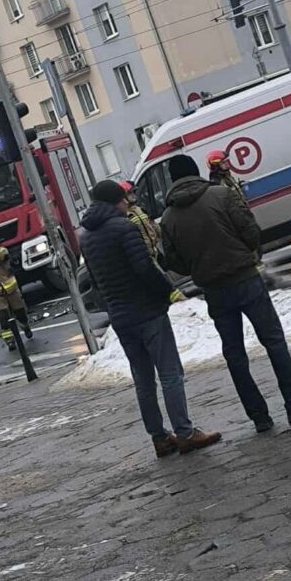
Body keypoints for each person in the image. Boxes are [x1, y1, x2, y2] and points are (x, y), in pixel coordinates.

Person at [159, 155, 291, 433]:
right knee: (273, 341)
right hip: (245, 278)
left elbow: (174, 263)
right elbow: (250, 229)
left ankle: (259, 417)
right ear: (195, 171)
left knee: (234, 354)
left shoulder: (169, 218)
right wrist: (247, 253)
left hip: (213, 290)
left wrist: (199, 266)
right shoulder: (221, 195)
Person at [80, 180, 221, 458]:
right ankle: (185, 432)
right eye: (123, 199)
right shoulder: (124, 228)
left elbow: (96, 282)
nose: (127, 202)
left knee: (143, 379)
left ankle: (159, 438)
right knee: (170, 373)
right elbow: (144, 267)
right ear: (113, 202)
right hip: (146, 311)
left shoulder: (86, 236)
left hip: (120, 316)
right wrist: (168, 290)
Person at [119, 180, 184, 303]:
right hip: (146, 254)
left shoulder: (140, 210)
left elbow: (152, 225)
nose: (134, 195)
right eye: (130, 193)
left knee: (168, 276)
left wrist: (165, 236)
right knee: (162, 280)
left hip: (155, 251)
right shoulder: (125, 216)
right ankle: (174, 300)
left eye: (134, 192)